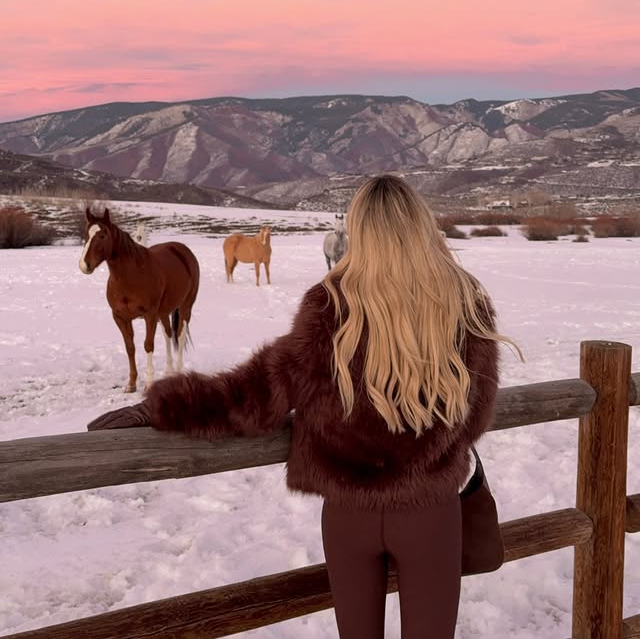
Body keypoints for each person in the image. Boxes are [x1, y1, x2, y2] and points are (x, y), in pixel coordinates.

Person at [88, 174, 518, 638]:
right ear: (421, 226)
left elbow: (254, 394)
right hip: (429, 510)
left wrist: (163, 407)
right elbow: (474, 418)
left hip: (347, 514)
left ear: (359, 231)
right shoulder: (463, 302)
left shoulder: (330, 302)